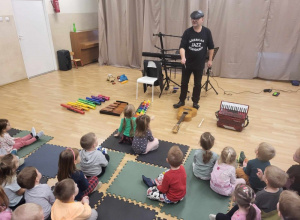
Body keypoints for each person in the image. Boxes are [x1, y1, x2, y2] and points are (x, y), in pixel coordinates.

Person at [173, 10, 214, 110]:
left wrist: (210, 60)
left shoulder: (207, 32)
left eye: (196, 19)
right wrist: (183, 57)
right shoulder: (187, 32)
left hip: (199, 64)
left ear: (202, 19)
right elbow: (182, 47)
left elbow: (211, 47)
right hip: (187, 63)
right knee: (184, 83)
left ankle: (195, 102)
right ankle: (181, 100)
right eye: (192, 19)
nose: (194, 20)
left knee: (197, 84)